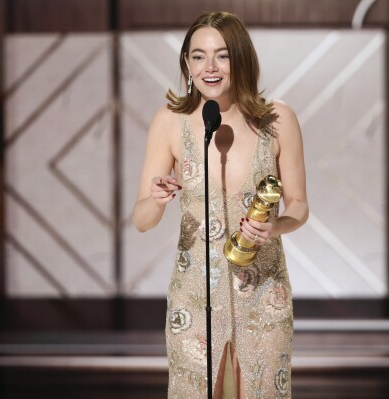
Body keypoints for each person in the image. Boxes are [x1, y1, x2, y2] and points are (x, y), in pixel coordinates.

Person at [132, 11, 309, 399]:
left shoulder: (278, 120)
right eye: (198, 56)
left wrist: (275, 227)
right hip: (195, 296)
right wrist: (157, 199)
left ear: (241, 59)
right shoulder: (169, 122)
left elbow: (297, 203)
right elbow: (141, 219)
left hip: (263, 292)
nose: (209, 67)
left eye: (222, 55)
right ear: (186, 63)